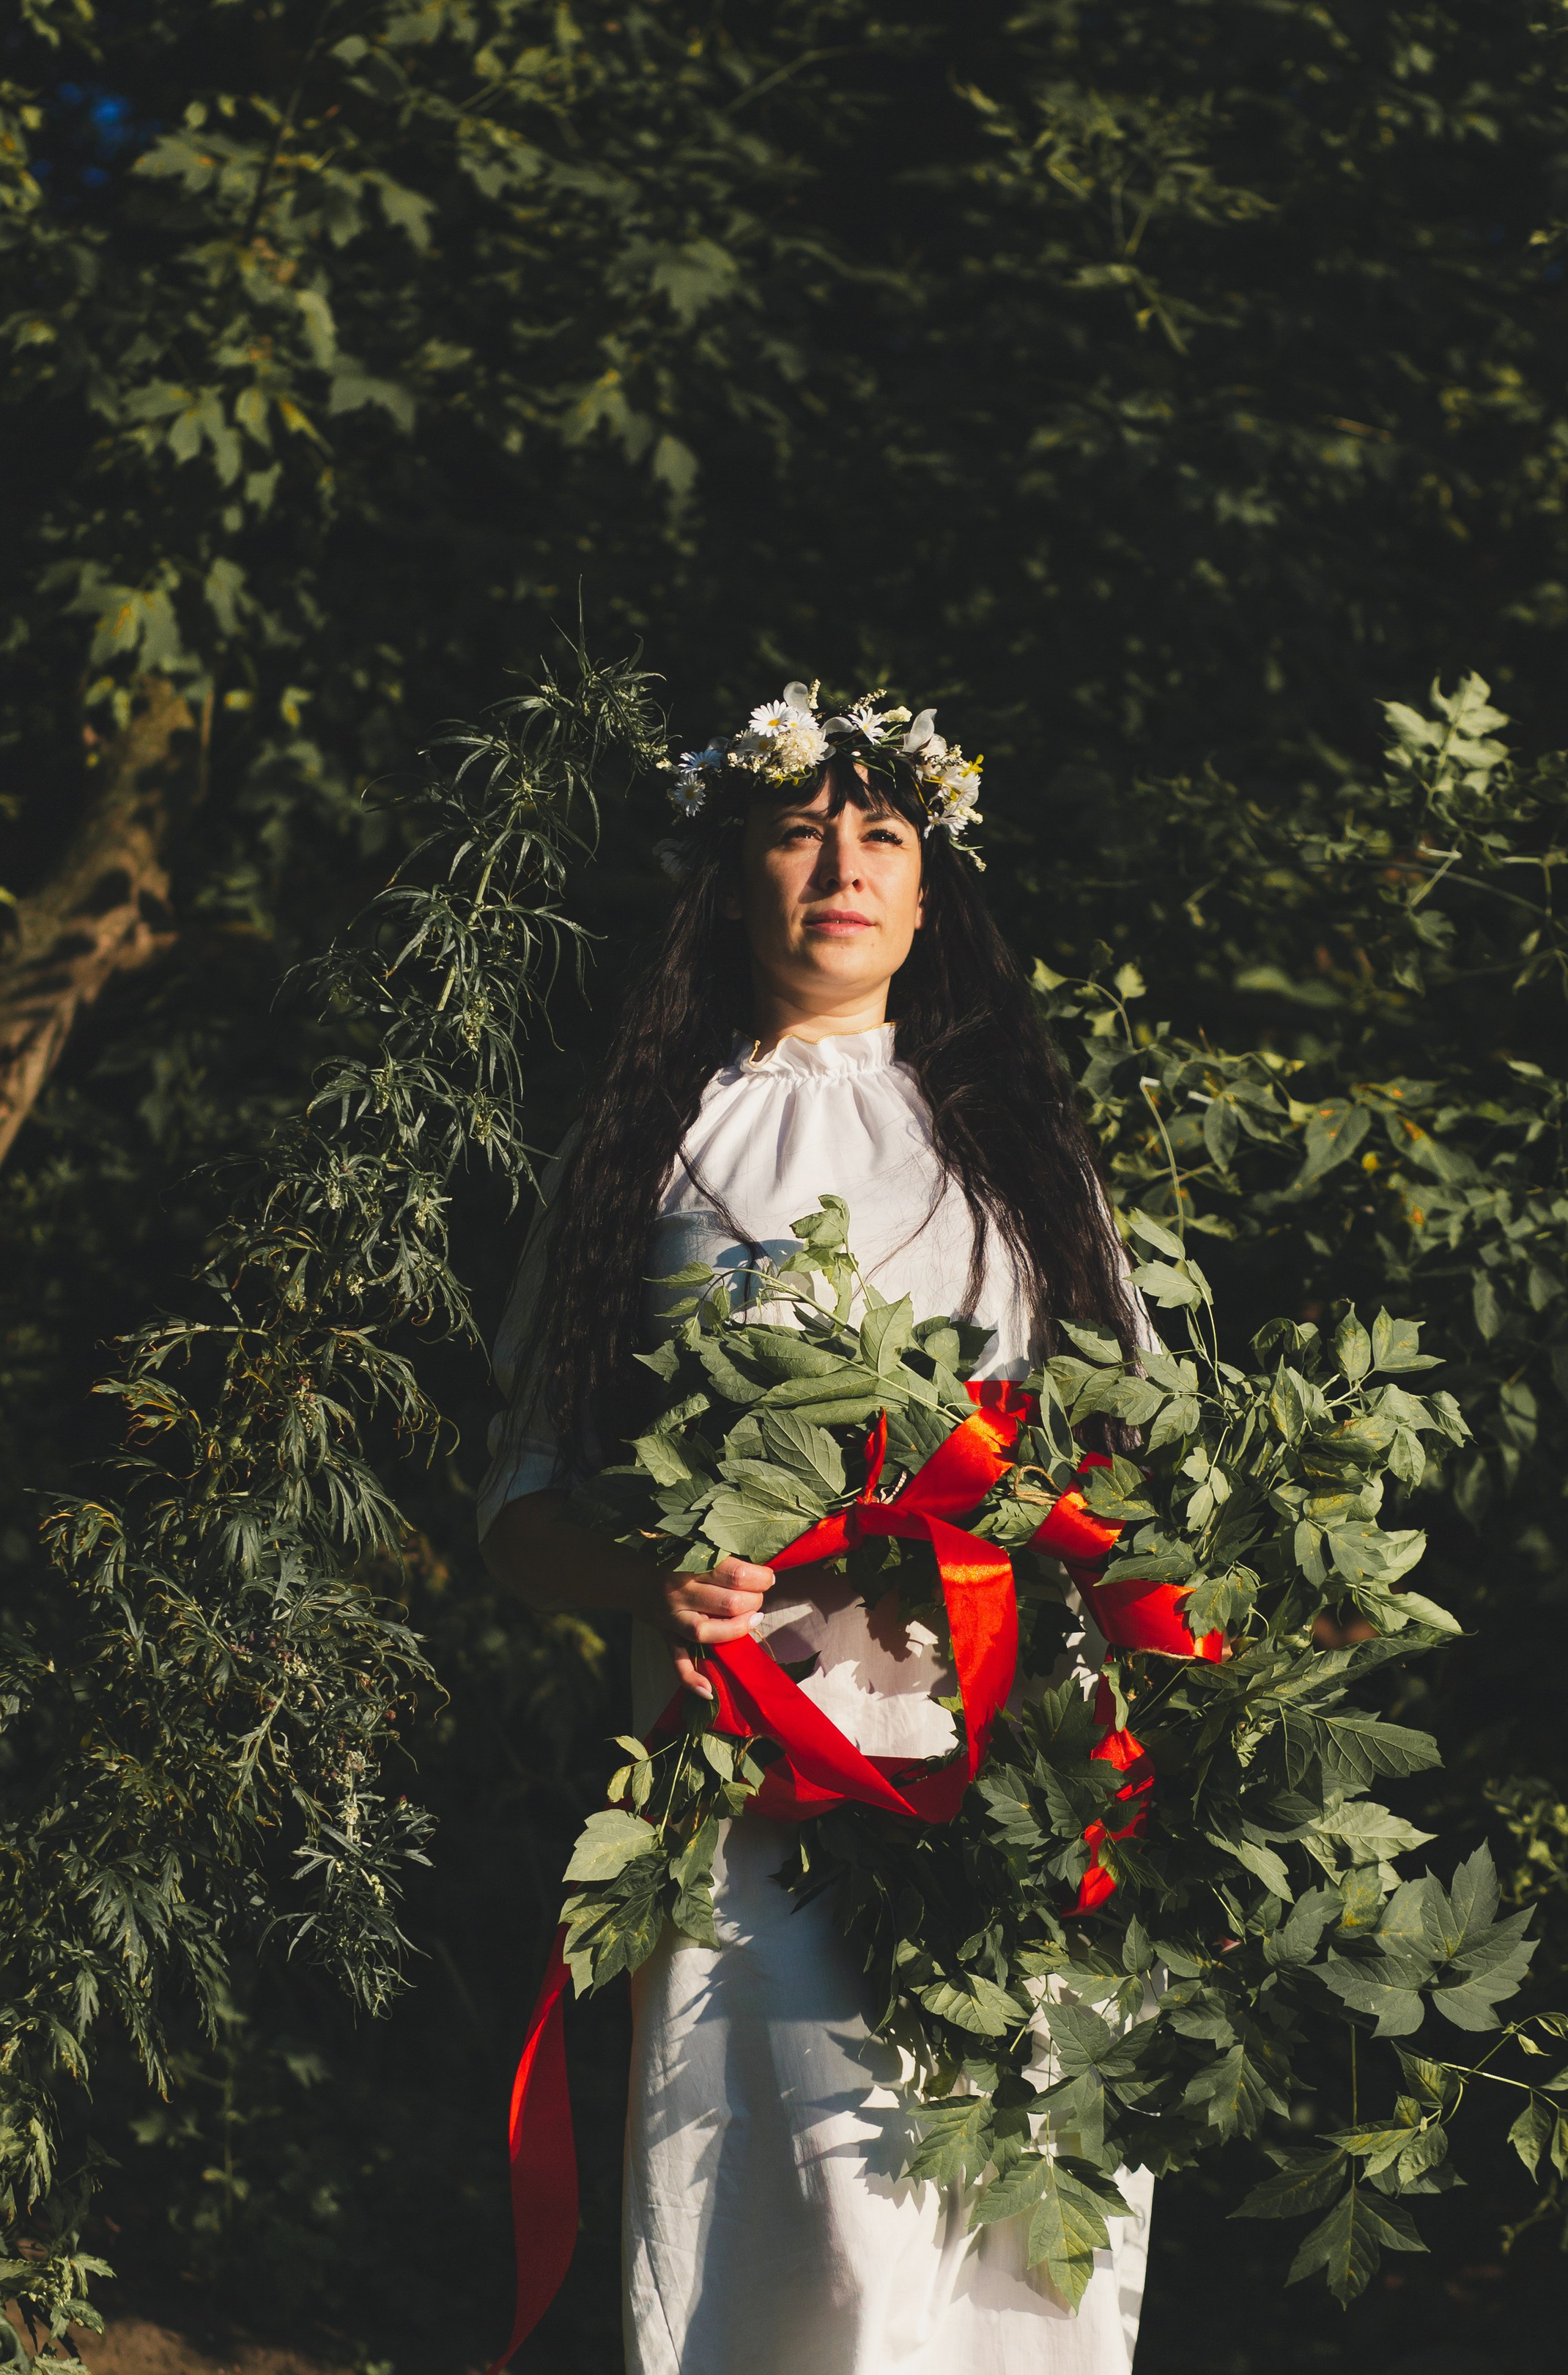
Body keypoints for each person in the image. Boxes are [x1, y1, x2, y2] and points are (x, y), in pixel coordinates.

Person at [480, 682, 1153, 2375]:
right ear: (732, 876)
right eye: (799, 830)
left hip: (1015, 1756)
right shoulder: (645, 1150)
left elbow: (1131, 1457)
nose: (840, 867)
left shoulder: (1022, 1149)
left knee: (1019, 2210)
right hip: (750, 1770)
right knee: (813, 2207)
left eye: (882, 836)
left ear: (932, 894)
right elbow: (520, 1505)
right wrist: (648, 1576)